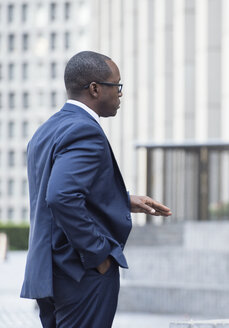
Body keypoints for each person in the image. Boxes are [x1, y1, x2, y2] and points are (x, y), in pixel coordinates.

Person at [20, 51, 172, 328]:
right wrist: (99, 254)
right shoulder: (84, 131)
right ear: (95, 89)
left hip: (48, 272)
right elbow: (60, 197)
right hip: (81, 274)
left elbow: (57, 192)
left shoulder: (47, 129)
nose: (121, 94)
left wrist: (122, 200)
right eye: (118, 86)